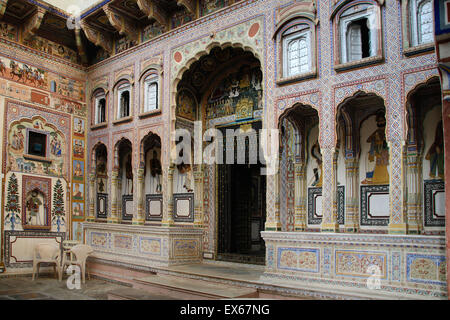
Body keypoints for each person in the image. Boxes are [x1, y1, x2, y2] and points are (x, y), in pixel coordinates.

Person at [362, 111, 389, 185]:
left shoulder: (388, 131)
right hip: (377, 150)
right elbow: (368, 140)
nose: (380, 123)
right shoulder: (377, 131)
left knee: (373, 157)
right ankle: (369, 178)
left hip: (385, 150)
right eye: (379, 121)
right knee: (368, 156)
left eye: (382, 121)